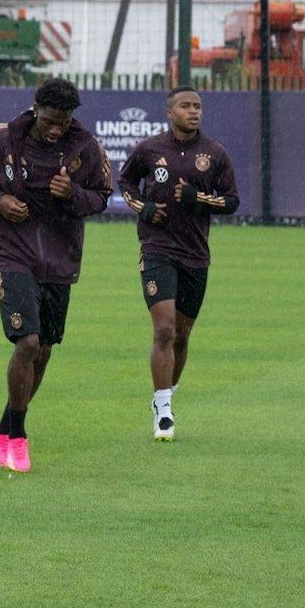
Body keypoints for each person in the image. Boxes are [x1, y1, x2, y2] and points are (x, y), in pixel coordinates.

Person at [0, 77, 112, 472]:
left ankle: (3, 427)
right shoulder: (2, 137)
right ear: (35, 109)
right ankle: (17, 437)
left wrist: (73, 195)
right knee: (27, 342)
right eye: (49, 120)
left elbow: (102, 196)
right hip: (13, 253)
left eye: (63, 122)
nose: (55, 129)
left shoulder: (86, 147)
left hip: (61, 259)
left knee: (44, 349)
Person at [118, 87, 239, 442]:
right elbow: (125, 183)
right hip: (157, 248)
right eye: (186, 106)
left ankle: (167, 394)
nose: (193, 111)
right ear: (170, 112)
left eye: (198, 106)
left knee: (182, 336)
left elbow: (231, 202)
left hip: (196, 255)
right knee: (165, 330)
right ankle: (164, 410)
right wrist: (145, 207)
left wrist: (196, 198)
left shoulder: (214, 153)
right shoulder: (150, 150)